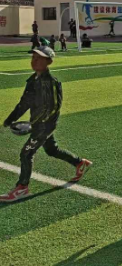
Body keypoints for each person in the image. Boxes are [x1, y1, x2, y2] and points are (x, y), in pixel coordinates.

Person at [0, 46, 92, 202]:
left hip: (45, 126)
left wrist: (37, 124)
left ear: (49, 61)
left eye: (39, 58)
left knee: (26, 153)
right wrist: (9, 121)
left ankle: (22, 188)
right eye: (33, 58)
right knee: (51, 150)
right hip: (38, 125)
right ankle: (80, 163)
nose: (34, 61)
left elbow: (55, 107)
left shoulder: (52, 82)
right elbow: (23, 104)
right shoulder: (32, 81)